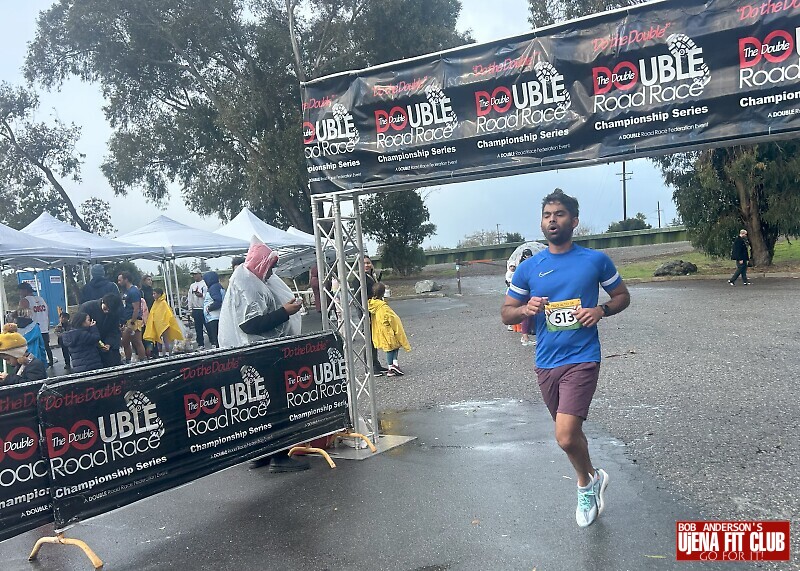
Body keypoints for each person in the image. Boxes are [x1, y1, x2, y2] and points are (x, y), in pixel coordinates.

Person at [501, 189, 630, 528]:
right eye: (547, 215)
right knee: (570, 434)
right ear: (541, 223)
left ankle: (584, 485)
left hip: (583, 357)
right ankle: (594, 476)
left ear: (574, 221)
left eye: (559, 214)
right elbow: (506, 313)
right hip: (546, 361)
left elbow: (622, 296)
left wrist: (600, 310)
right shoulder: (529, 268)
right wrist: (525, 309)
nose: (552, 220)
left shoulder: (595, 261)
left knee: (565, 435)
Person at [218, 238, 304, 472]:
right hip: (261, 356)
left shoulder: (248, 280)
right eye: (270, 267)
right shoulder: (248, 284)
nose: (271, 273)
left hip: (254, 355)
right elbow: (250, 324)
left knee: (259, 406)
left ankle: (262, 453)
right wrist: (284, 312)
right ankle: (279, 456)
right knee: (275, 404)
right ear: (260, 264)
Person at [350, 255, 387, 376]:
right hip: (366, 311)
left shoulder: (371, 276)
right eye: (364, 263)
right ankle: (369, 368)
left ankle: (375, 364)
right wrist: (365, 313)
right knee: (368, 340)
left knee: (374, 338)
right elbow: (359, 298)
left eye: (368, 263)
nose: (366, 265)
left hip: (373, 311)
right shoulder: (358, 279)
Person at [368, 283, 411, 377]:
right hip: (387, 330)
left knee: (391, 348)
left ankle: (393, 365)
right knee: (392, 348)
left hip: (380, 331)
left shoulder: (372, 304)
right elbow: (393, 319)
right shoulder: (383, 306)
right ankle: (391, 367)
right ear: (383, 293)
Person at [80, 293, 124, 367]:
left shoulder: (115, 313)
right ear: (103, 301)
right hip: (90, 342)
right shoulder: (87, 307)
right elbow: (79, 327)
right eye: (105, 308)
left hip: (105, 341)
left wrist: (109, 343)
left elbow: (114, 330)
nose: (107, 312)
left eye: (109, 311)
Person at [17, 281, 55, 368]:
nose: (19, 293)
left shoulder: (24, 301)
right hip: (44, 327)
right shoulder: (41, 299)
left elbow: (21, 314)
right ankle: (50, 362)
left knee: (34, 349)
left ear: (25, 290)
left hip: (32, 329)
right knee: (45, 347)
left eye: (20, 291)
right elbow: (47, 313)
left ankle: (36, 367)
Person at [118, 272, 147, 363]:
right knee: (126, 342)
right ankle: (129, 360)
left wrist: (132, 322)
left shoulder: (133, 291)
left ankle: (142, 360)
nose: (119, 282)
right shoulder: (126, 291)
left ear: (126, 279)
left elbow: (136, 308)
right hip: (127, 319)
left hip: (134, 320)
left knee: (136, 341)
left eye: (120, 280)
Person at [144, 288, 184, 355]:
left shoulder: (163, 303)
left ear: (159, 294)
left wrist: (167, 322)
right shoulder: (155, 303)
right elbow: (152, 313)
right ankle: (160, 352)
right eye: (153, 294)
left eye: (154, 294)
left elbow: (168, 313)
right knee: (158, 339)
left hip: (164, 324)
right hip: (157, 324)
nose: (153, 295)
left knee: (165, 338)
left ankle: (167, 352)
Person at [202, 271, 224, 348]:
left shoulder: (213, 288)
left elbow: (218, 301)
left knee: (216, 339)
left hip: (215, 317)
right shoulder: (218, 286)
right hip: (217, 316)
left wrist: (209, 308)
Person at [188, 270, 208, 348]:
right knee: (198, 328)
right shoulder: (192, 286)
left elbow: (207, 295)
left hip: (204, 308)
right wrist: (190, 309)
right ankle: (200, 344)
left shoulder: (205, 284)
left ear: (200, 274)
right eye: (193, 275)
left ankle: (213, 341)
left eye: (196, 274)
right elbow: (190, 298)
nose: (194, 276)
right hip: (196, 309)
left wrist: (202, 295)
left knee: (208, 326)